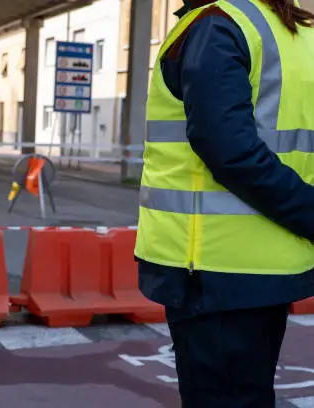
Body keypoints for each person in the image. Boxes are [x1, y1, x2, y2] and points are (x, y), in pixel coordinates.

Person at [134, 0, 314, 405]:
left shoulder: (218, 25)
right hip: (273, 262)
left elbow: (230, 152)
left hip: (215, 267)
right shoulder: (298, 34)